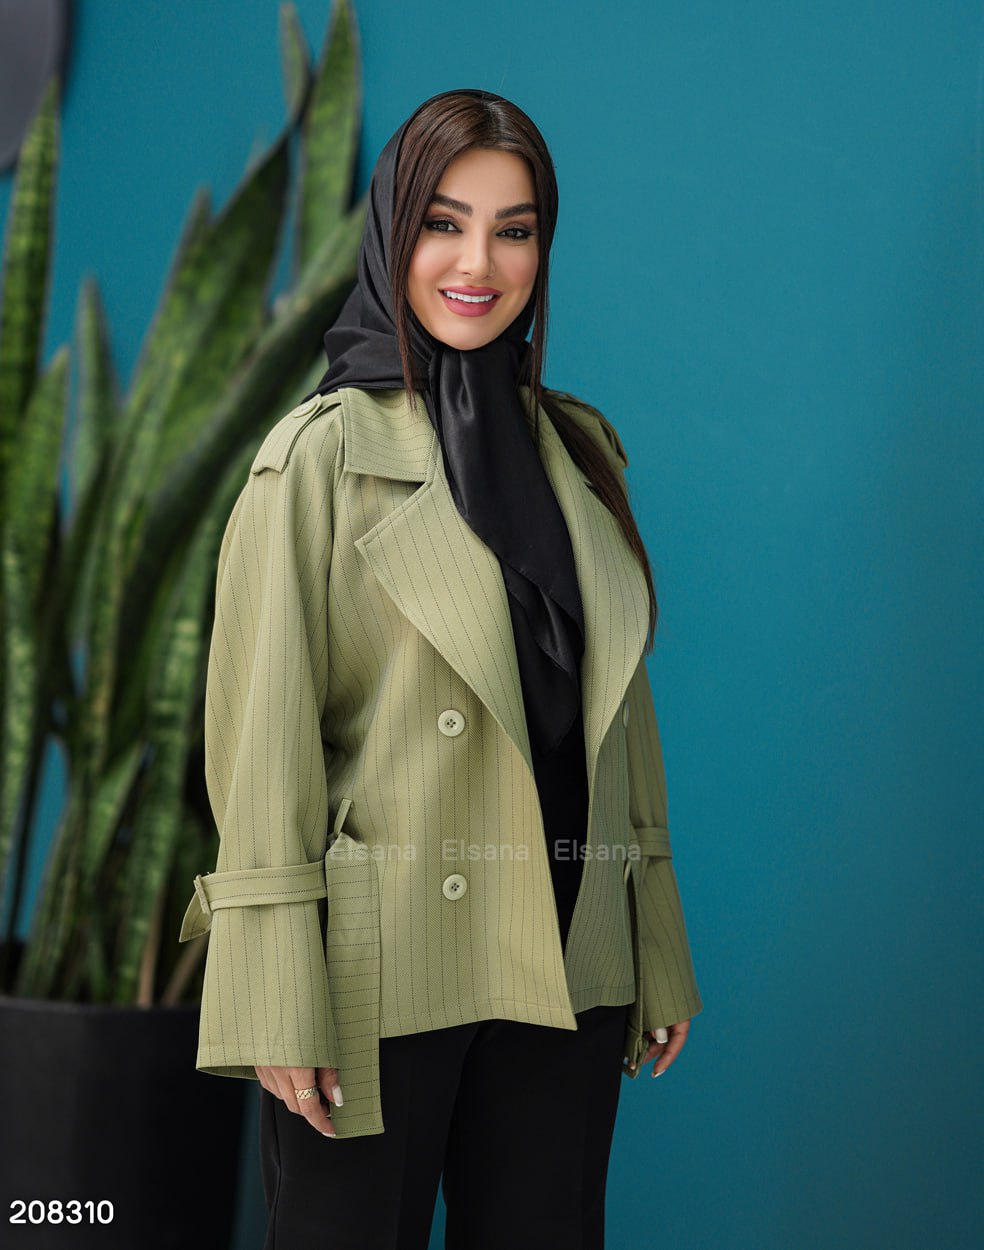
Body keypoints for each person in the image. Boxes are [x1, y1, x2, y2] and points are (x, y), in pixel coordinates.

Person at [178, 88, 703, 1250]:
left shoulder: (580, 447)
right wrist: (274, 991)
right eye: (443, 223)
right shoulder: (316, 460)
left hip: (570, 952)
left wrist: (651, 938)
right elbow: (262, 748)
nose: (478, 263)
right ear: (391, 231)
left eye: (514, 230)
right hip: (384, 967)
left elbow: (620, 720)